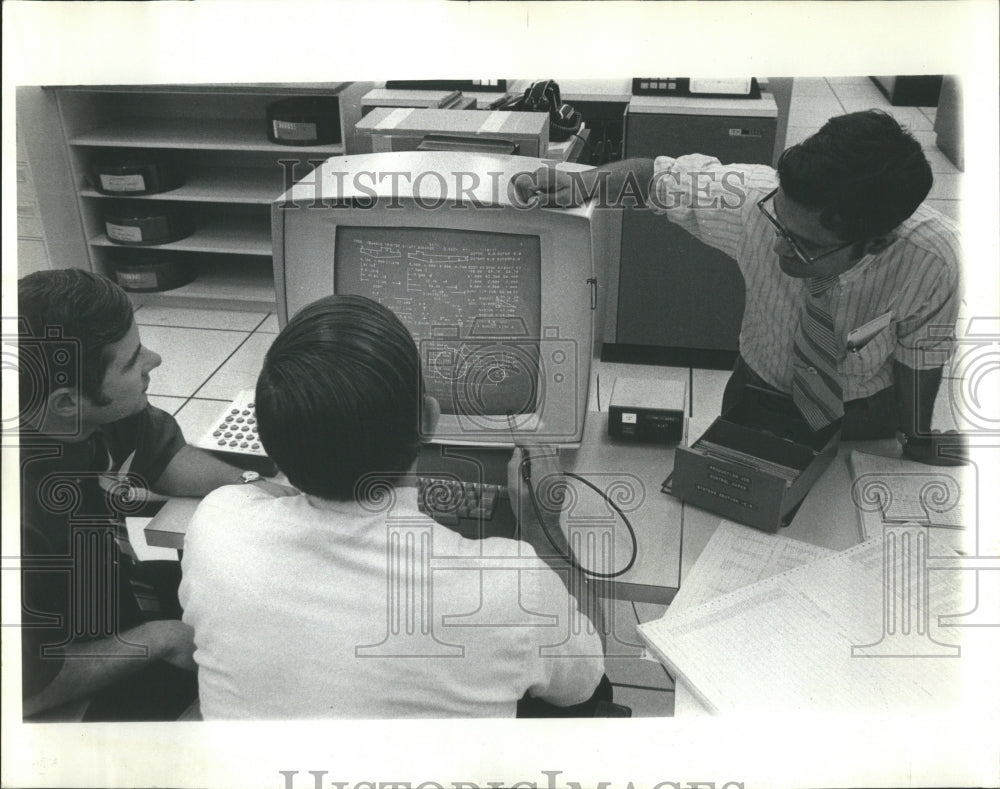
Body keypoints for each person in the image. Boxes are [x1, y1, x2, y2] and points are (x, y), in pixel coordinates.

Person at [178, 294, 607, 719]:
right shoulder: (513, 585)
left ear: (268, 435)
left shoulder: (215, 527)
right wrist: (541, 525)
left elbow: (249, 499)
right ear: (429, 419)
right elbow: (588, 682)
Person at [518, 110, 964, 464]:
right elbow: (655, 178)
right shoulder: (756, 199)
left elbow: (920, 356)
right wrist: (582, 182)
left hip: (863, 411)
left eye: (803, 245)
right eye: (779, 223)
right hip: (757, 388)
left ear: (878, 241)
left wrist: (919, 439)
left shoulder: (932, 258)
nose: (778, 248)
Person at [17, 268, 290, 721]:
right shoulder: (22, 520)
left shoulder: (96, 413)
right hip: (49, 678)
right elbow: (28, 690)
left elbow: (166, 459)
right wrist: (159, 638)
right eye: (131, 360)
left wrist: (259, 490)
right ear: (67, 402)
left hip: (107, 594)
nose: (155, 359)